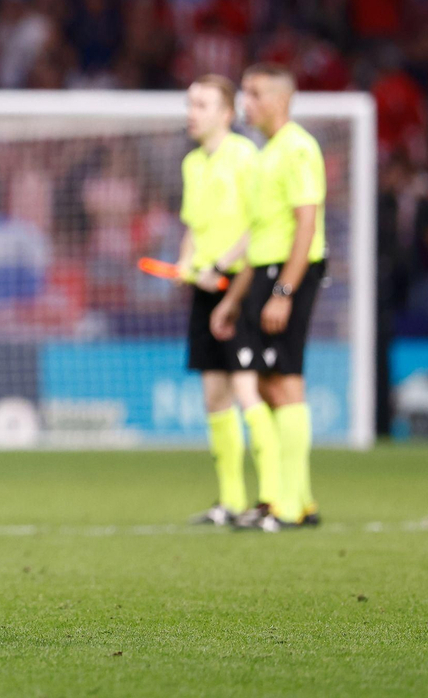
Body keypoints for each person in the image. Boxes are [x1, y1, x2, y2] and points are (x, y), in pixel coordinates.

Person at [211, 62, 326, 531]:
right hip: (265, 273)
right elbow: (260, 236)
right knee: (266, 385)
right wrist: (235, 298)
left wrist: (283, 291)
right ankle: (297, 500)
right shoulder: (267, 153)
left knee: (284, 382)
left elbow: (306, 226)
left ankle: (290, 506)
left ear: (281, 99)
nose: (247, 103)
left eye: (255, 93)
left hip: (288, 273)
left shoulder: (298, 148)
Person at [175, 75, 283, 526]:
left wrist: (220, 265)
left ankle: (274, 499)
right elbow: (193, 226)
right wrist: (185, 263)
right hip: (205, 287)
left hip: (240, 284)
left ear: (226, 114)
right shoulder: (192, 163)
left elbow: (259, 226)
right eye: (190, 104)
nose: (191, 113)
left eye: (201, 105)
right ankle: (232, 502)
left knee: (245, 388)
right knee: (214, 395)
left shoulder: (245, 157)